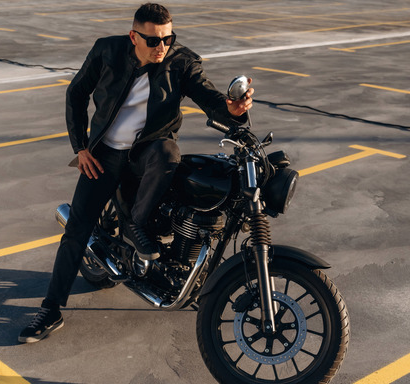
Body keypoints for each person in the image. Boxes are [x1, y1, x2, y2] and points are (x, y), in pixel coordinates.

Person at [18, 3, 254, 343]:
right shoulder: (107, 51)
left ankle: (136, 228)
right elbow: (76, 93)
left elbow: (211, 98)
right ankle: (50, 309)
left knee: (170, 152)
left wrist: (233, 110)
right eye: (153, 40)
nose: (162, 47)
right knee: (77, 230)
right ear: (134, 37)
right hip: (104, 156)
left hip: (147, 152)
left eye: (168, 39)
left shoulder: (182, 62)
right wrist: (80, 148)